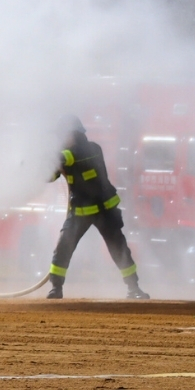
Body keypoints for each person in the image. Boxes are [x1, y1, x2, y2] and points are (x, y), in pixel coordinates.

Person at [48, 115, 149, 300]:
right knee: (63, 248)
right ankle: (56, 289)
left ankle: (133, 288)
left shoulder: (88, 150)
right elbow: (51, 175)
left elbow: (72, 157)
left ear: (72, 134)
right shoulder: (71, 154)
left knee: (118, 248)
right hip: (87, 211)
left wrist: (54, 159)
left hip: (100, 211)